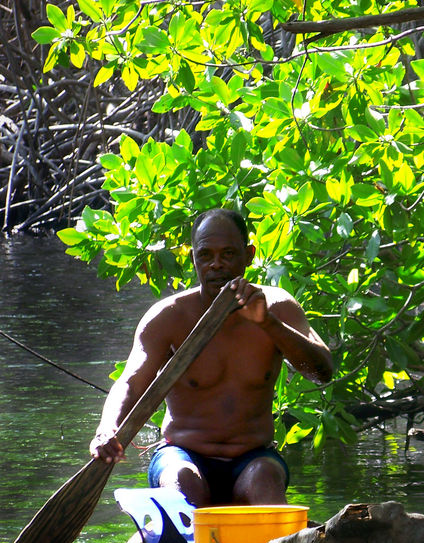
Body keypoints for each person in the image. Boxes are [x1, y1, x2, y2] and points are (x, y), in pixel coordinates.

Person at [90, 208, 333, 507]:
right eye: (206, 255)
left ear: (249, 256)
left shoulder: (279, 306)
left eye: (228, 254)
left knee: (262, 481)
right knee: (184, 481)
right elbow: (130, 382)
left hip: (254, 457)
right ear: (194, 258)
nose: (216, 265)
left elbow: (322, 371)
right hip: (182, 453)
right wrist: (106, 429)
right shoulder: (169, 317)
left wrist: (267, 322)